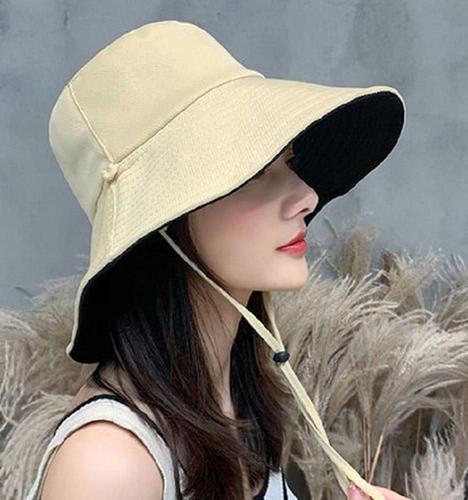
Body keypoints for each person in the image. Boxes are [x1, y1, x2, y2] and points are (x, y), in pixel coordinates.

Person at [24, 20, 408, 500]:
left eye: (289, 164)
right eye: (255, 172)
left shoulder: (233, 401)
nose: (307, 197)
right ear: (162, 221)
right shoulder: (110, 464)